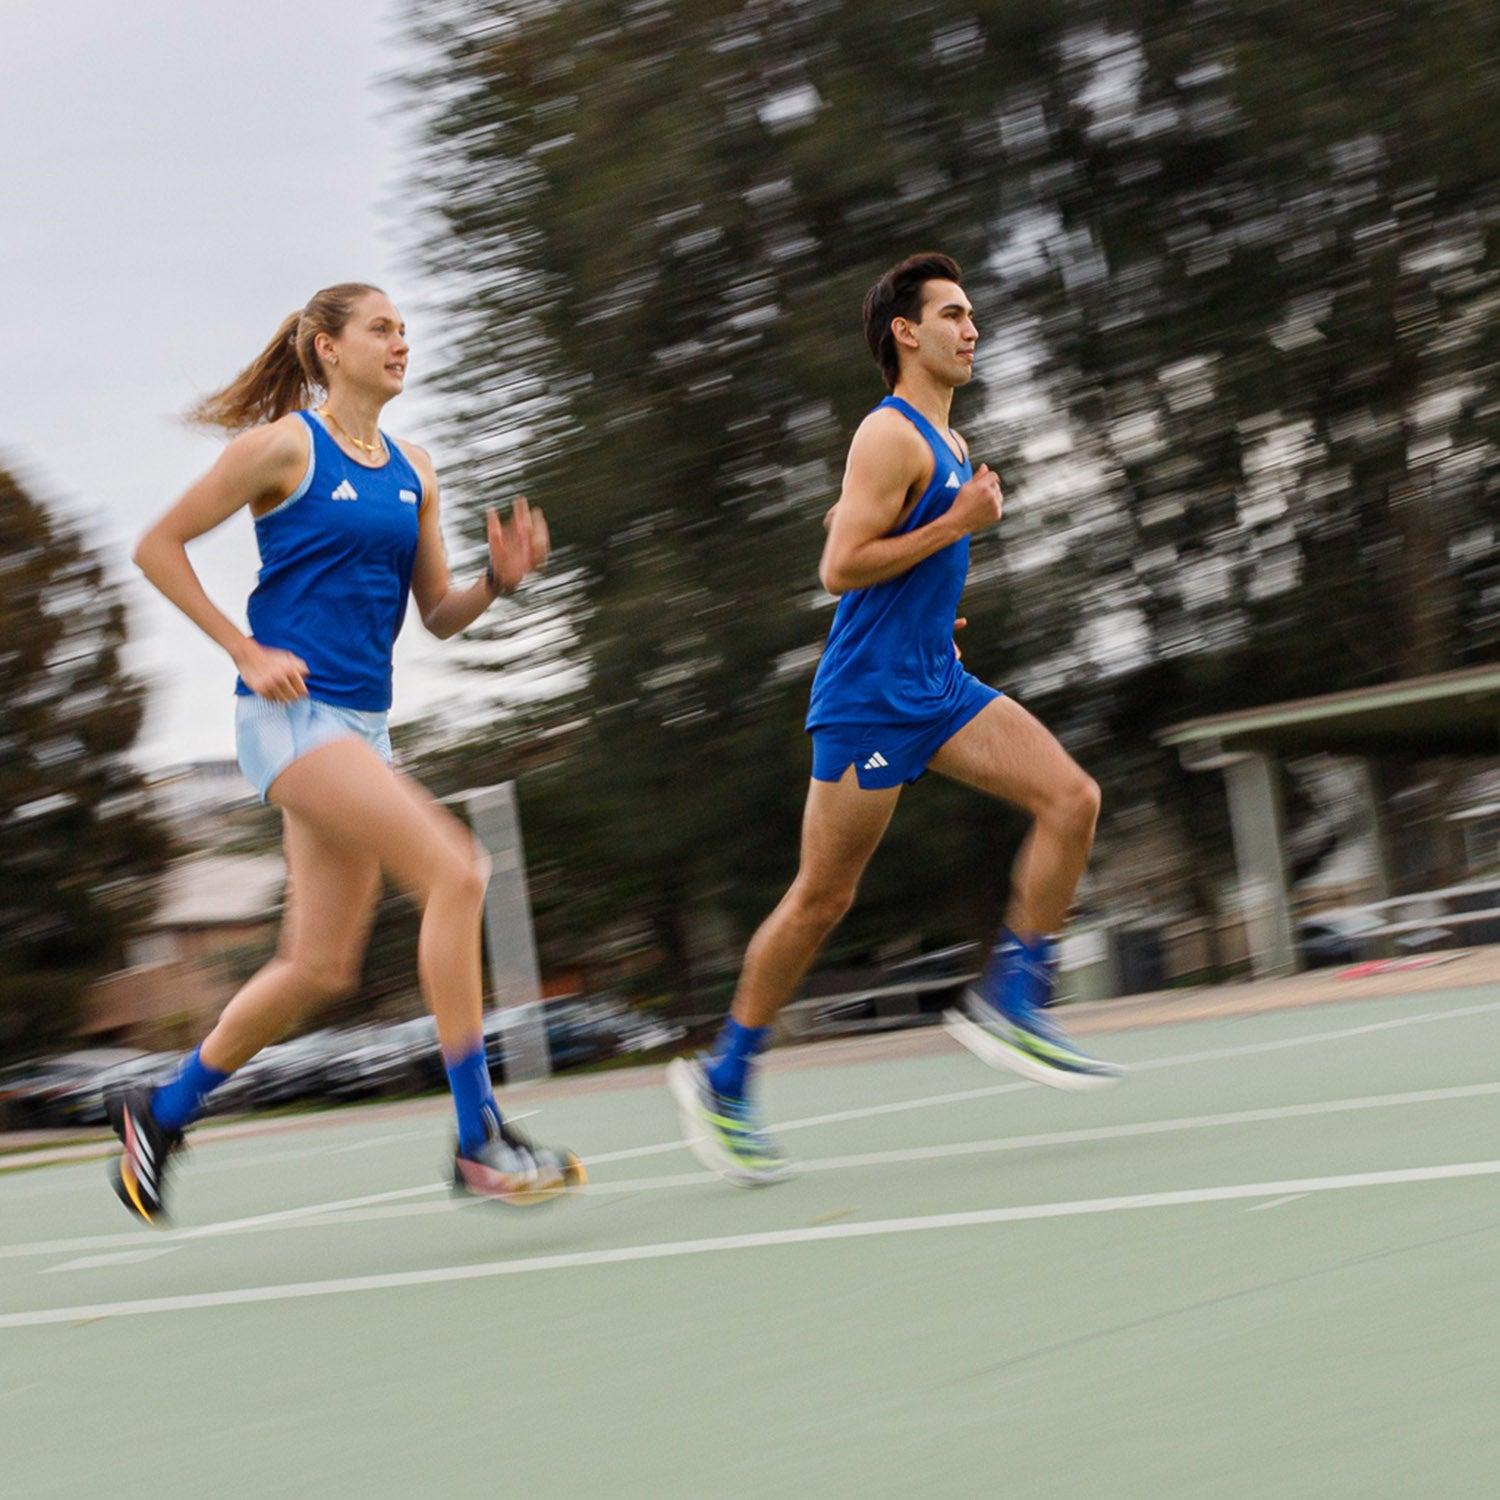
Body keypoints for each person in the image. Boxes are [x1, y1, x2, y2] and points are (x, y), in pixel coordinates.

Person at [110, 282, 584, 1223]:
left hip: (363, 728)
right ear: (327, 349)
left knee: (320, 968)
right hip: (289, 720)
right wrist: (243, 648)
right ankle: (478, 1136)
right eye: (380, 329)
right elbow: (158, 547)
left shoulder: (414, 467)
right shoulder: (286, 447)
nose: (401, 343)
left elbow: (438, 616)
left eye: (405, 330)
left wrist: (499, 579)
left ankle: (158, 1114)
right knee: (458, 869)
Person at [668, 252, 1121, 1187]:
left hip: (938, 685)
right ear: (905, 334)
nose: (972, 329)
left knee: (1072, 800)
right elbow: (839, 566)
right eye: (953, 314)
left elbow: (885, 559)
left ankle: (1018, 1000)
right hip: (870, 701)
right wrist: (956, 528)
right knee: (822, 899)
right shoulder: (891, 434)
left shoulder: (948, 445)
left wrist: (930, 595)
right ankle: (725, 1079)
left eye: (973, 316)